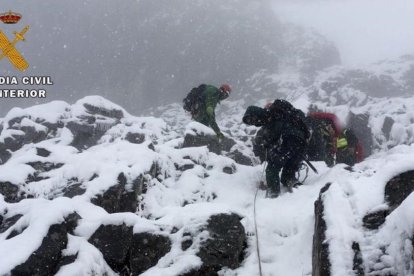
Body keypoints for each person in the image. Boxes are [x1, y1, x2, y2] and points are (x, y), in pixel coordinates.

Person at [244, 99, 310, 198]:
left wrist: (268, 143)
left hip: (289, 141)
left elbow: (277, 131)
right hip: (301, 145)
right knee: (289, 168)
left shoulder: (273, 115)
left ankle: (273, 192)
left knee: (272, 167)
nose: (254, 122)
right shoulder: (289, 115)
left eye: (253, 119)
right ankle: (291, 182)